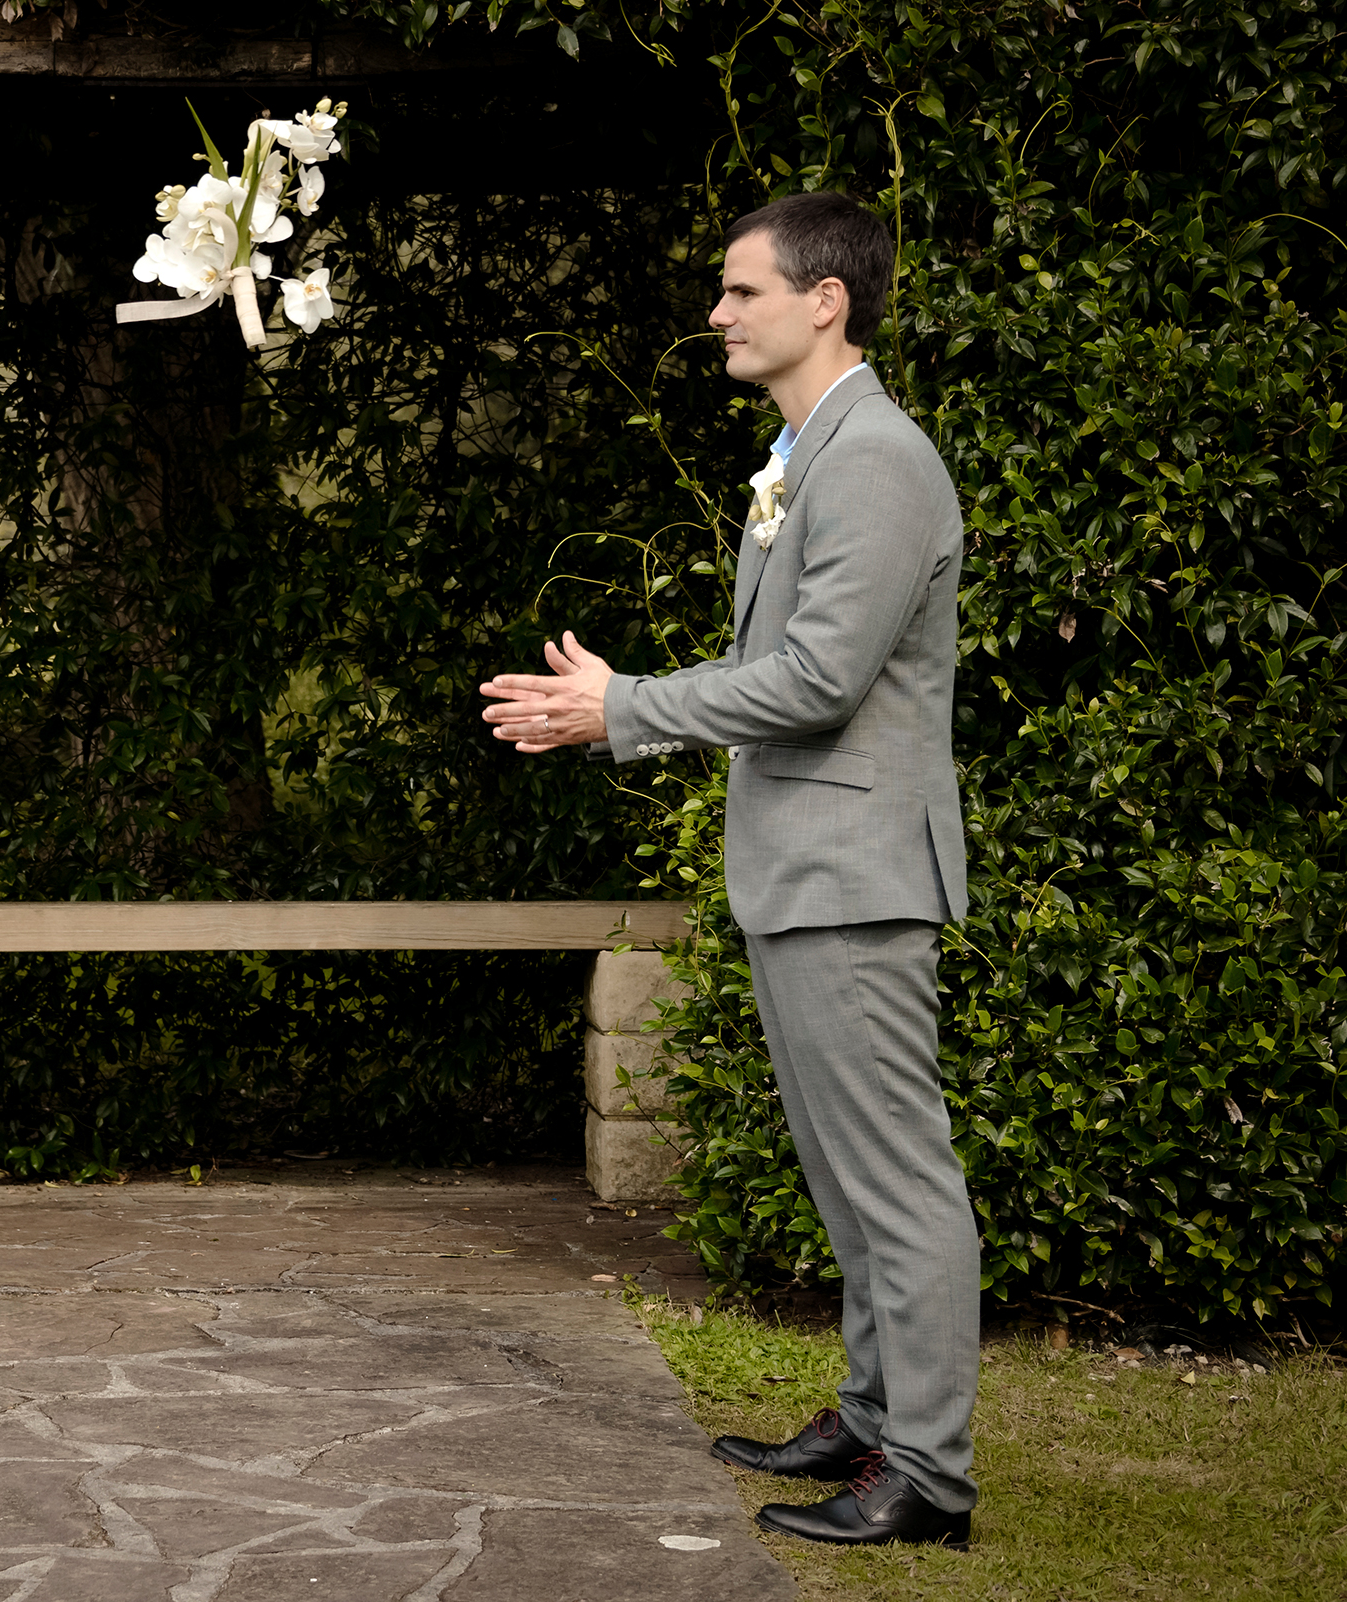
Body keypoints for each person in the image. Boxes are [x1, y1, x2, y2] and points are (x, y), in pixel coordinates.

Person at [476, 192, 976, 1548]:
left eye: (742, 290)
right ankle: (873, 1419)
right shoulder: (809, 453)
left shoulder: (876, 459)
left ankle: (928, 1474)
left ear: (826, 300)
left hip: (855, 876)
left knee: (898, 1182)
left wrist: (624, 707)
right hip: (808, 869)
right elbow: (788, 669)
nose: (717, 313)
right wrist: (619, 705)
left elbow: (818, 680)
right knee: (847, 1176)